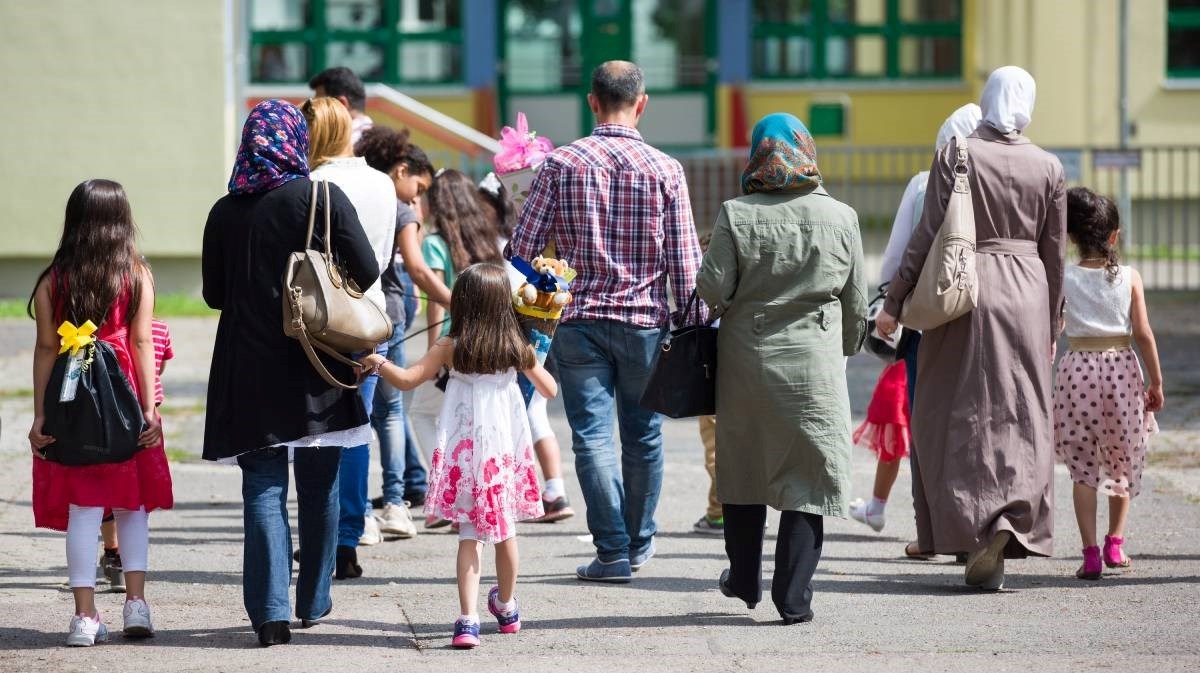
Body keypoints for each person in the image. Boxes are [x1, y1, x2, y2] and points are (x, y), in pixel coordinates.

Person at [509, 61, 704, 582]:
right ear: (642, 104)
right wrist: (694, 323)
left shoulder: (560, 165)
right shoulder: (666, 169)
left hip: (578, 321)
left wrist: (541, 294)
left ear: (592, 102)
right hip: (646, 322)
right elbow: (686, 267)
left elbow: (520, 251)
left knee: (591, 438)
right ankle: (638, 544)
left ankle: (612, 551)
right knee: (644, 437)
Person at [875, 66, 1067, 591]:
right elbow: (1056, 255)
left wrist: (894, 302)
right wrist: (1053, 323)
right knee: (1021, 412)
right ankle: (1009, 518)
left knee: (952, 411)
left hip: (964, 291)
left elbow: (926, 234)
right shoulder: (1048, 166)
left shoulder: (957, 152)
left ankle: (970, 530)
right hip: (1028, 293)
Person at [202, 100, 380, 646]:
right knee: (320, 483)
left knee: (262, 487)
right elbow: (368, 269)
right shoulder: (320, 197)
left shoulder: (224, 211)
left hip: (246, 365)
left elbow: (213, 294)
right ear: (296, 142)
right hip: (317, 359)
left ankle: (270, 615)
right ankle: (314, 599)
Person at [696, 113, 867, 624]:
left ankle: (743, 580)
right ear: (807, 150)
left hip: (746, 364)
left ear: (757, 152)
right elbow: (856, 303)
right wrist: (842, 346)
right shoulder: (842, 217)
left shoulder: (735, 213)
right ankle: (793, 599)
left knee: (744, 473)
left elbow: (711, 290)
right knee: (807, 480)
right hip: (814, 366)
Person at [360, 263, 555, 649]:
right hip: (502, 455)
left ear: (462, 304)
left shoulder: (451, 346)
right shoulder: (517, 346)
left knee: (470, 535)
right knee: (506, 533)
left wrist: (376, 361)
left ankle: (468, 621)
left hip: (466, 456)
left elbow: (408, 379)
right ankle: (506, 605)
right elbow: (548, 390)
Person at [27, 179, 172, 646]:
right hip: (124, 393)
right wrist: (149, 408)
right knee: (132, 506)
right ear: (121, 222)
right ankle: (137, 606)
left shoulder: (54, 279)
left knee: (83, 509)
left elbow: (47, 347)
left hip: (72, 398)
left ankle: (84, 617)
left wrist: (40, 416)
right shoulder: (136, 274)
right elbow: (142, 341)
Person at [847, 103, 982, 548]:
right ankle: (977, 524)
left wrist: (890, 303)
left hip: (927, 319)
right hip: (984, 319)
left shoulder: (925, 183)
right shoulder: (997, 180)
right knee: (974, 420)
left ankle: (932, 532)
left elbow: (899, 253)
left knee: (925, 422)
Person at [304, 96, 400, 573]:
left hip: (323, 318)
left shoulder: (315, 182)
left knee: (318, 428)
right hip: (370, 313)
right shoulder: (382, 182)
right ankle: (348, 534)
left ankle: (320, 535)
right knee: (358, 426)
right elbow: (380, 256)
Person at [1057, 187, 1163, 580]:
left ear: (1070, 236)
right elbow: (1145, 333)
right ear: (1114, 235)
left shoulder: (1064, 277)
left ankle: (1088, 554)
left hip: (1077, 369)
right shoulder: (1129, 277)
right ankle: (1115, 545)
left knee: (1083, 467)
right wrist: (1156, 381)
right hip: (1121, 369)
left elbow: (1055, 325)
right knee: (1122, 458)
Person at [409, 169, 505, 529]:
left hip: (452, 346)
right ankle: (475, 490)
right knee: (476, 425)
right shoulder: (485, 240)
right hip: (489, 343)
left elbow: (435, 304)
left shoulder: (436, 243)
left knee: (421, 413)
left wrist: (432, 350)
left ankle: (448, 490)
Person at [354, 125, 438, 529]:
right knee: (389, 413)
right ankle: (394, 502)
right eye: (418, 188)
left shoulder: (354, 196)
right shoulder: (399, 209)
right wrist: (462, 301)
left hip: (351, 316)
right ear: (401, 168)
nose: (417, 199)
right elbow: (418, 268)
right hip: (389, 317)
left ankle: (359, 513)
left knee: (357, 417)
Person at [478, 172, 574, 522]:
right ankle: (553, 491)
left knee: (521, 414)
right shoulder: (539, 243)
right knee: (533, 414)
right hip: (540, 338)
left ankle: (529, 491)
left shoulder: (510, 248)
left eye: (483, 205)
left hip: (517, 339)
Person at [99, 317, 174, 592]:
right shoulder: (159, 328)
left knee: (102, 492)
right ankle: (132, 583)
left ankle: (112, 552)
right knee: (137, 496)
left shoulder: (101, 327)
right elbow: (160, 366)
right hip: (145, 420)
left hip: (105, 418)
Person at [309, 66, 374, 143]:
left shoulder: (346, 146)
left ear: (341, 105)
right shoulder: (377, 140)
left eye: (319, 105)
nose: (315, 113)